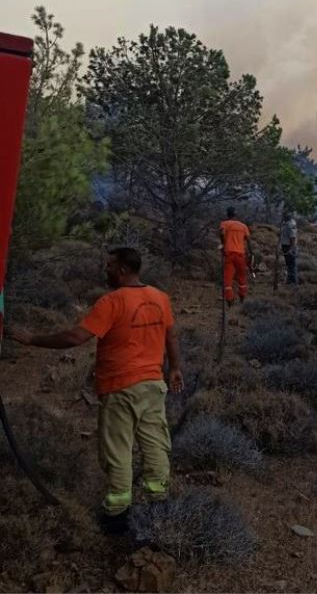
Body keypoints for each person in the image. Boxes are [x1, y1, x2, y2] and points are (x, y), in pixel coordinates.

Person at [7, 247, 184, 534]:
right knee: (155, 444)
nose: (106, 270)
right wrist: (174, 368)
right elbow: (170, 335)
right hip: (153, 385)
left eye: (109, 266)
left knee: (118, 450)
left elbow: (75, 337)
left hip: (120, 387)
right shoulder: (159, 297)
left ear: (123, 270)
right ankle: (159, 505)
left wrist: (32, 339)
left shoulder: (112, 301)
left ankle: (117, 516)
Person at [220, 206, 253, 306]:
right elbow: (248, 240)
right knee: (242, 276)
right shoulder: (243, 226)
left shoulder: (224, 224)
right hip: (240, 254)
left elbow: (221, 234)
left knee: (228, 277)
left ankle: (229, 299)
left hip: (229, 253)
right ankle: (242, 296)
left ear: (227, 214)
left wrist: (223, 244)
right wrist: (251, 253)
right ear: (236, 215)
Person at [280, 210, 298, 284]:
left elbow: (293, 238)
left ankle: (292, 282)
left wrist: (291, 249)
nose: (283, 215)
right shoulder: (285, 223)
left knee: (291, 265)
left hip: (289, 246)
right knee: (288, 264)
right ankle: (289, 280)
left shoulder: (291, 224)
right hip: (285, 245)